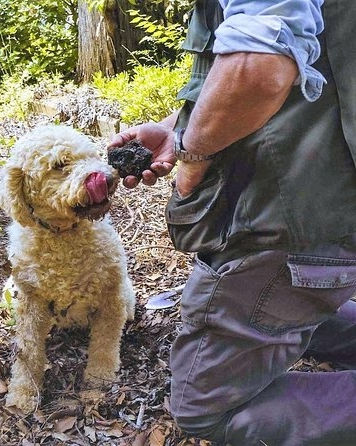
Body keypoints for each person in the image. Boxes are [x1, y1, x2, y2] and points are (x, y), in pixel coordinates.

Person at [108, 0, 356, 445]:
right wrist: (178, 128)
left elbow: (259, 67)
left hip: (297, 216)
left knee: (206, 409)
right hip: (331, 197)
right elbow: (307, 61)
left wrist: (193, 159)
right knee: (300, 299)